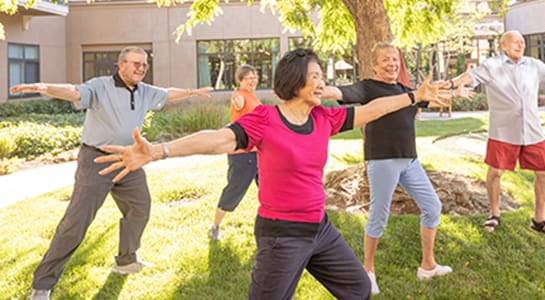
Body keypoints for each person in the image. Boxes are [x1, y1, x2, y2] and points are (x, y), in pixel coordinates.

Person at [95, 48, 446, 299]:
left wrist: (412, 96)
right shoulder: (266, 120)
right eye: (316, 77)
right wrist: (158, 150)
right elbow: (219, 140)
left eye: (323, 77)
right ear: (295, 82)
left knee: (357, 288)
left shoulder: (324, 118)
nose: (323, 84)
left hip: (320, 230)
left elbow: (370, 110)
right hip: (281, 236)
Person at [10, 46, 213, 300]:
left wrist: (191, 92)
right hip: (96, 159)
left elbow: (166, 93)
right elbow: (74, 91)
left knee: (140, 208)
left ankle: (126, 260)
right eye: (136, 64)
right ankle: (42, 286)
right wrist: (43, 86)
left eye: (144, 65)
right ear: (121, 65)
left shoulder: (144, 91)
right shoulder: (100, 86)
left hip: (129, 159)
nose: (141, 68)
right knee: (76, 223)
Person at [323, 42, 453, 295]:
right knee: (379, 216)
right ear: (374, 65)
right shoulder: (369, 87)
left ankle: (427, 266)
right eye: (385, 60)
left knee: (433, 207)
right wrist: (318, 88)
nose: (391, 63)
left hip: (410, 161)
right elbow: (341, 92)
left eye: (395, 59)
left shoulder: (405, 90)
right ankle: (368, 271)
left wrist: (451, 91)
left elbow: (430, 99)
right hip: (382, 160)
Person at [445, 30, 545, 237]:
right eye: (515, 42)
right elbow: (469, 76)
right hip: (503, 131)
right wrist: (450, 85)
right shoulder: (492, 66)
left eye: (522, 42)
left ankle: (539, 219)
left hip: (532, 131)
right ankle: (494, 213)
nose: (520, 45)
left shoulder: (534, 65)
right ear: (503, 45)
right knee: (495, 173)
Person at [208, 64, 261, 241]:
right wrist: (236, 99)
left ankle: (278, 224)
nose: (253, 80)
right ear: (240, 81)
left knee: (270, 187)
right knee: (234, 190)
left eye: (255, 77)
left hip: (258, 152)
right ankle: (215, 226)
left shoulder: (252, 96)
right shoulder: (241, 96)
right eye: (248, 78)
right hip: (242, 154)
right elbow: (239, 104)